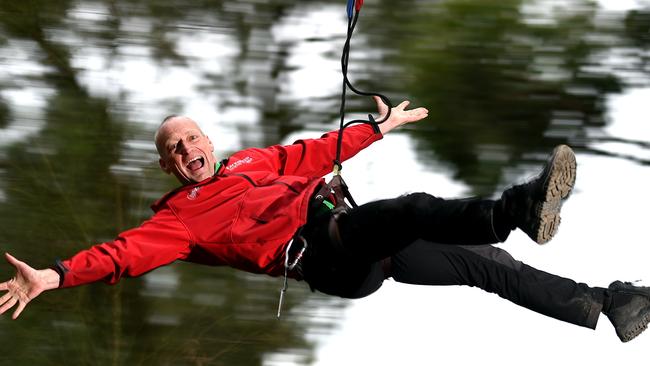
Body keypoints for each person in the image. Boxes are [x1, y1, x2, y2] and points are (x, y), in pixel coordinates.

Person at [1, 97, 648, 343]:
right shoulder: (180, 218)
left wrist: (379, 126)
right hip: (324, 254)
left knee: (489, 268)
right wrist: (54, 277)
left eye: (192, 137)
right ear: (169, 168)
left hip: (360, 239)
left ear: (207, 139)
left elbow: (312, 152)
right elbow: (120, 254)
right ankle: (519, 208)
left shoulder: (253, 159)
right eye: (174, 149)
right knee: (414, 210)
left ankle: (604, 305)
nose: (187, 149)